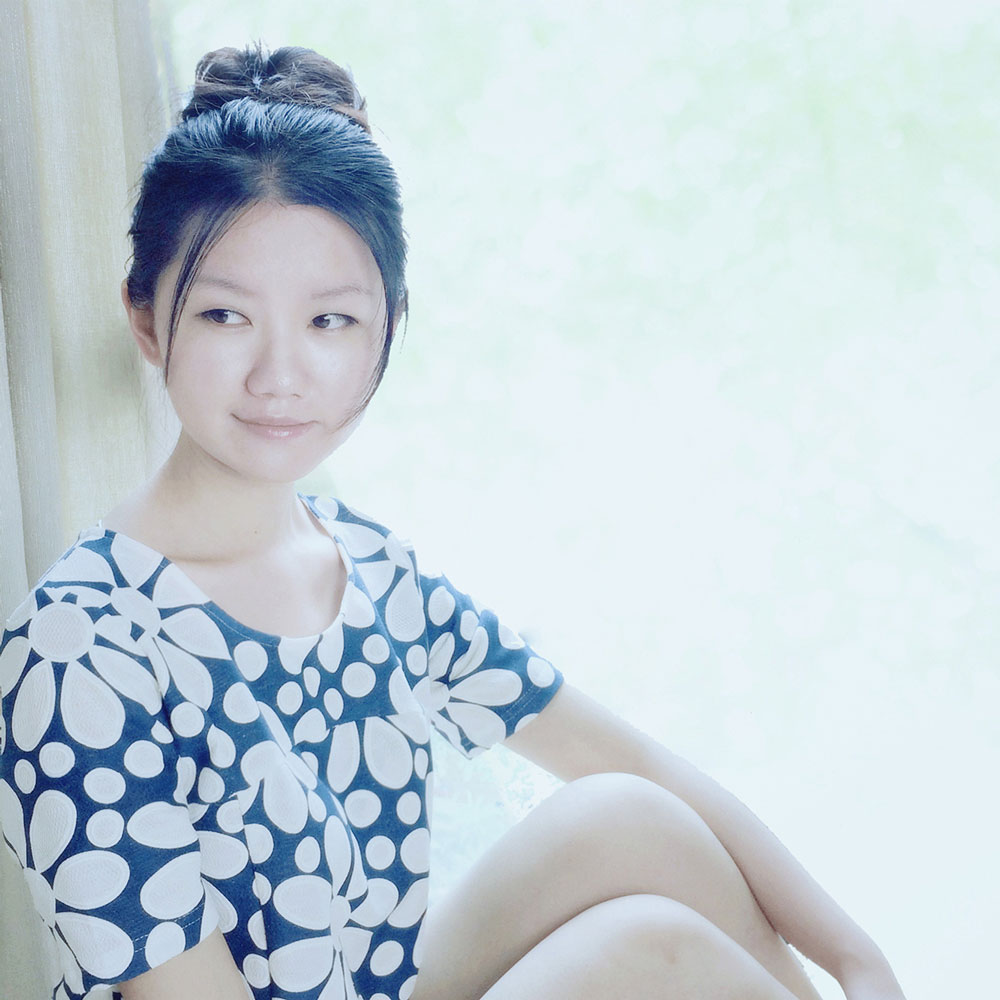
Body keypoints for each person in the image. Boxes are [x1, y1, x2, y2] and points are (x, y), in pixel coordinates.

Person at [0, 44, 906, 1000]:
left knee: (628, 817)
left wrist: (859, 958)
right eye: (226, 317)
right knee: (646, 947)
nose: (279, 375)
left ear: (389, 325)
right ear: (148, 319)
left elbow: (631, 761)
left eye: (329, 322)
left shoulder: (364, 566)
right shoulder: (77, 648)